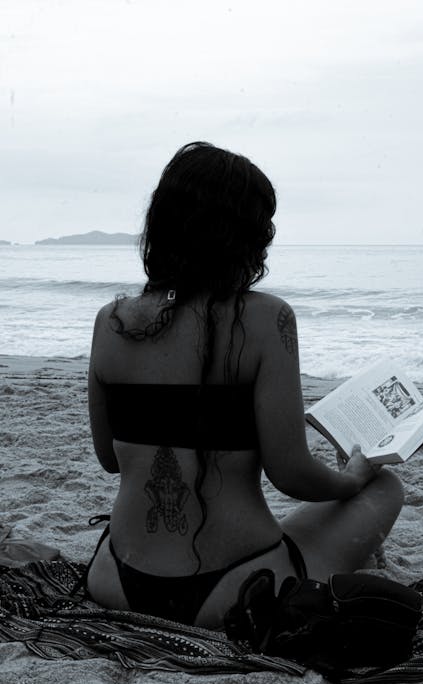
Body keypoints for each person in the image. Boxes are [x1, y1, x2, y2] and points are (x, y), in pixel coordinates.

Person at [85, 142, 404, 630]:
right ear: (245, 236)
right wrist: (353, 477)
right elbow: (291, 474)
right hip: (233, 589)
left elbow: (110, 459)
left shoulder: (113, 322)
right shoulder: (266, 318)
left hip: (115, 578)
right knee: (387, 490)